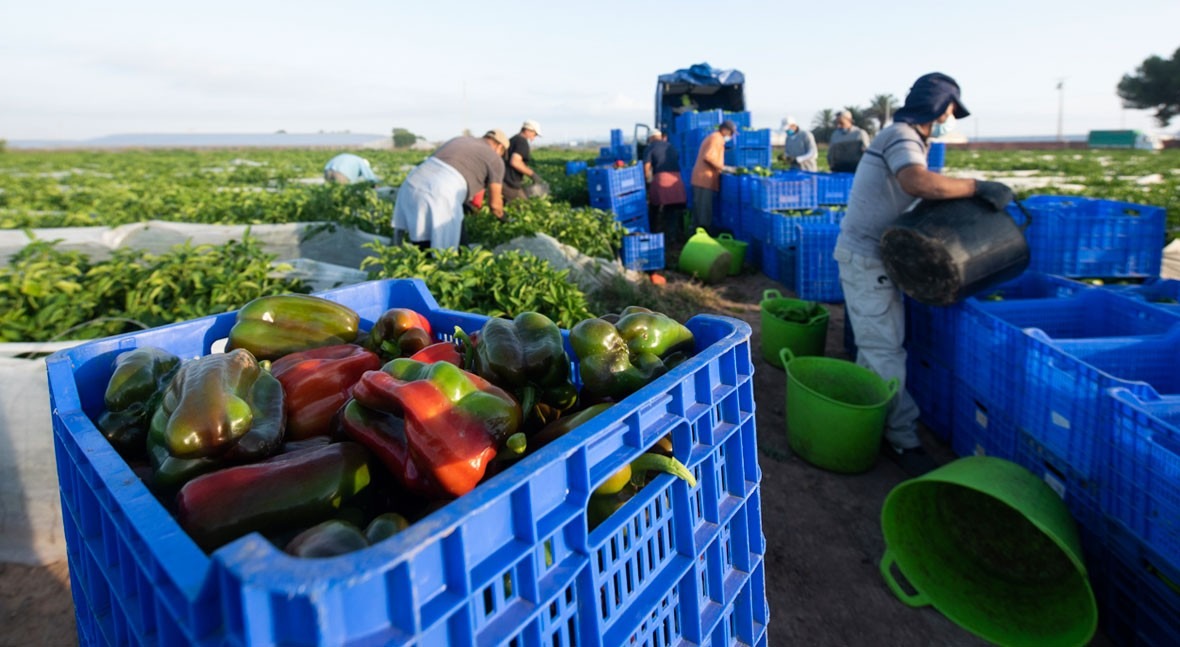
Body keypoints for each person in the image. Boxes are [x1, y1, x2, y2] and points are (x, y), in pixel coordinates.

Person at [833, 72, 1014, 476]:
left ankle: (871, 416)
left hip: (876, 257)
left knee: (876, 344)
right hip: (868, 258)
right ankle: (900, 439)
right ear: (937, 105)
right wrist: (975, 186)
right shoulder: (901, 135)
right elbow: (915, 182)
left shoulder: (910, 137)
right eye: (951, 109)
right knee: (883, 350)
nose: (952, 116)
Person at [392, 129, 508, 250]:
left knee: (420, 244)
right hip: (441, 190)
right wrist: (503, 218)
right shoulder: (495, 159)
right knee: (447, 253)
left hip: (411, 183)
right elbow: (495, 205)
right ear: (500, 146)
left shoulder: (459, 140)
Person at [689, 120, 737, 232]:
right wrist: (724, 167)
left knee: (699, 212)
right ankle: (702, 241)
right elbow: (709, 157)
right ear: (724, 130)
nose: (731, 136)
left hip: (702, 179)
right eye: (731, 133)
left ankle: (695, 238)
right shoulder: (716, 138)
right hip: (704, 179)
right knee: (703, 214)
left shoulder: (714, 137)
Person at [643, 129, 685, 235]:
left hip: (662, 180)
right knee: (673, 209)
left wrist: (646, 181)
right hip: (676, 179)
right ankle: (675, 236)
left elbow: (646, 167)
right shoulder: (670, 146)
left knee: (654, 207)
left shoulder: (650, 148)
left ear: (651, 138)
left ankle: (653, 232)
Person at [502, 120, 544, 203]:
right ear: (528, 130)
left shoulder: (513, 139)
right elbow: (515, 162)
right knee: (523, 207)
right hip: (510, 184)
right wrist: (532, 174)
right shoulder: (522, 142)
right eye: (534, 134)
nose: (534, 137)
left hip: (503, 180)